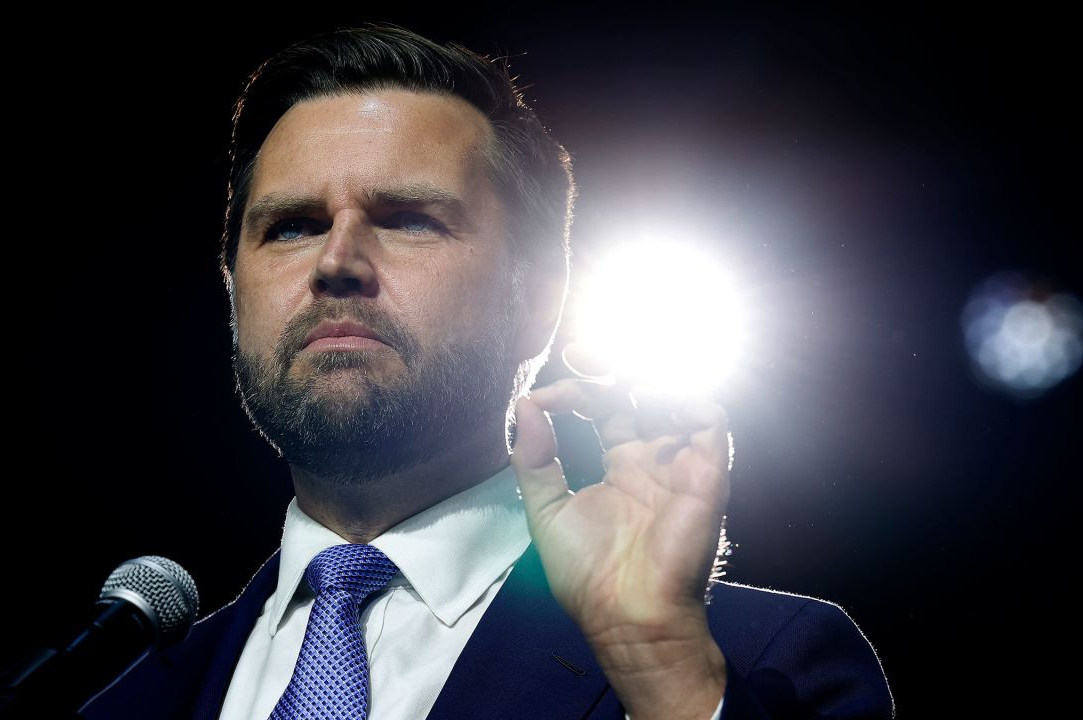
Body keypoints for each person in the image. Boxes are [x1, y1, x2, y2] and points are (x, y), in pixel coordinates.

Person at [80, 24, 894, 720]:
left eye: (407, 220)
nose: (336, 262)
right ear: (235, 290)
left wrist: (665, 672)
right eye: (291, 227)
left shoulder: (758, 666)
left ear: (537, 301)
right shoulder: (116, 702)